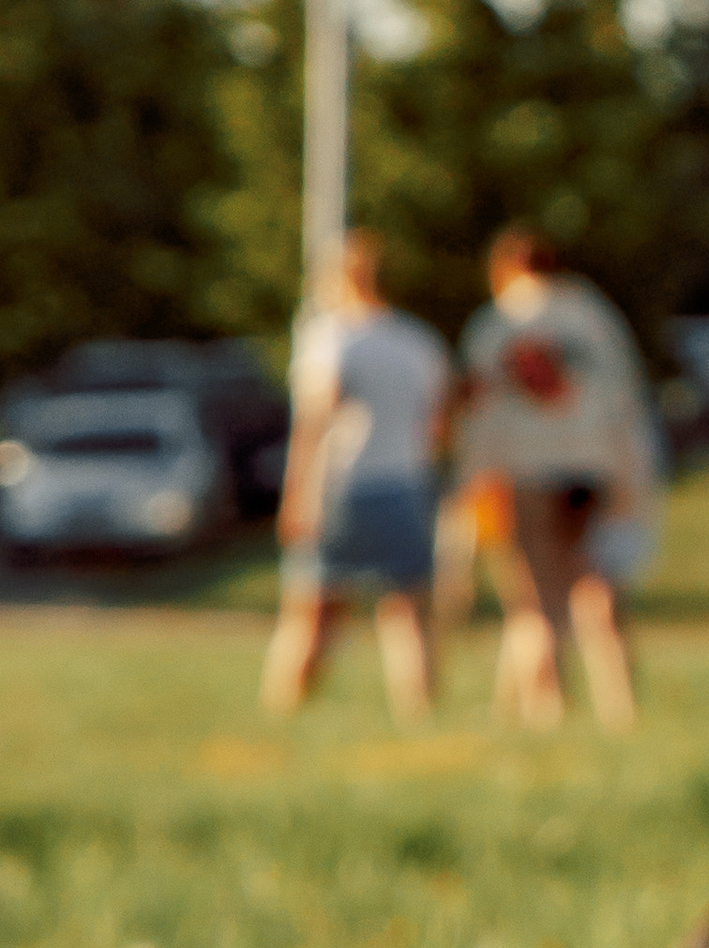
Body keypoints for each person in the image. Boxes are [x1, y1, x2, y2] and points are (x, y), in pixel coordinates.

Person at [454, 226, 660, 728]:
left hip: (526, 471)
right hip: (594, 466)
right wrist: (631, 472)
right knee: (599, 586)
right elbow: (625, 398)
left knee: (536, 595)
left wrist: (472, 479)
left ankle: (548, 711)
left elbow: (479, 415)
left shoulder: (493, 326)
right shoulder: (592, 315)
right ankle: (620, 706)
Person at [261, 232, 453, 723]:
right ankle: (420, 717)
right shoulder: (418, 341)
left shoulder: (330, 338)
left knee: (312, 613)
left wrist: (297, 494)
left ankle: (283, 713)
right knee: (408, 613)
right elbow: (438, 425)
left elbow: (314, 423)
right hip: (405, 484)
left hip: (341, 487)